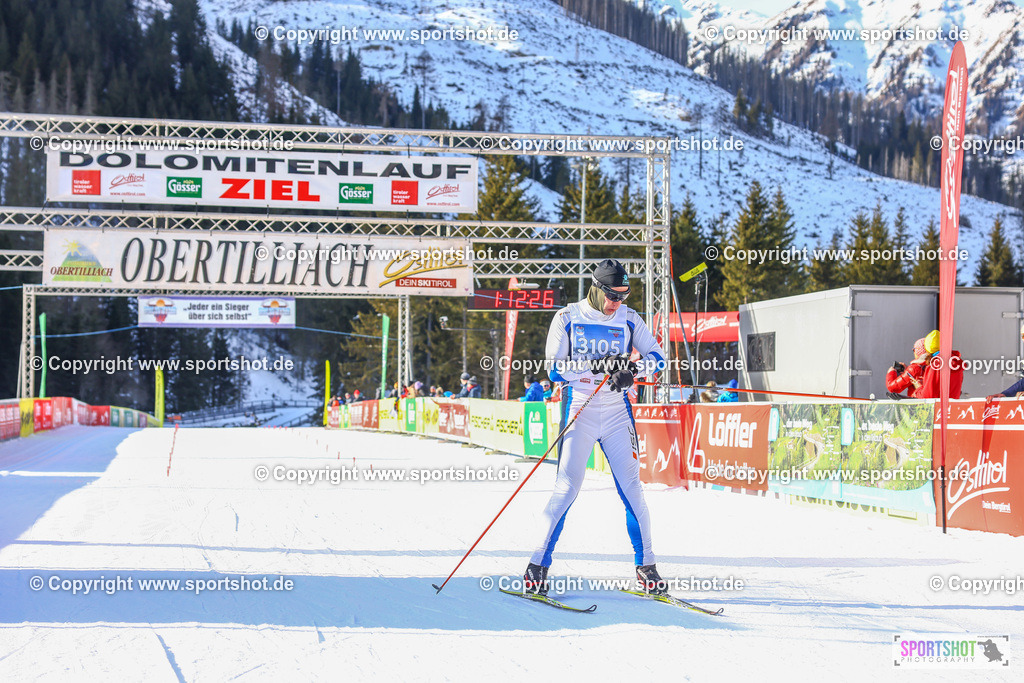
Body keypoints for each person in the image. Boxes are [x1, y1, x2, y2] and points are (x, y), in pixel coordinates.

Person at [523, 258, 668, 597]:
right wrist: (596, 365)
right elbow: (554, 370)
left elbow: (658, 356)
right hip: (580, 407)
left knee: (633, 490)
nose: (617, 302)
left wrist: (633, 372)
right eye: (613, 296)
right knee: (566, 488)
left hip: (617, 412)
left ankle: (647, 566)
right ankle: (537, 566)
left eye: (624, 295)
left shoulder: (629, 318)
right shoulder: (567, 317)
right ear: (596, 288)